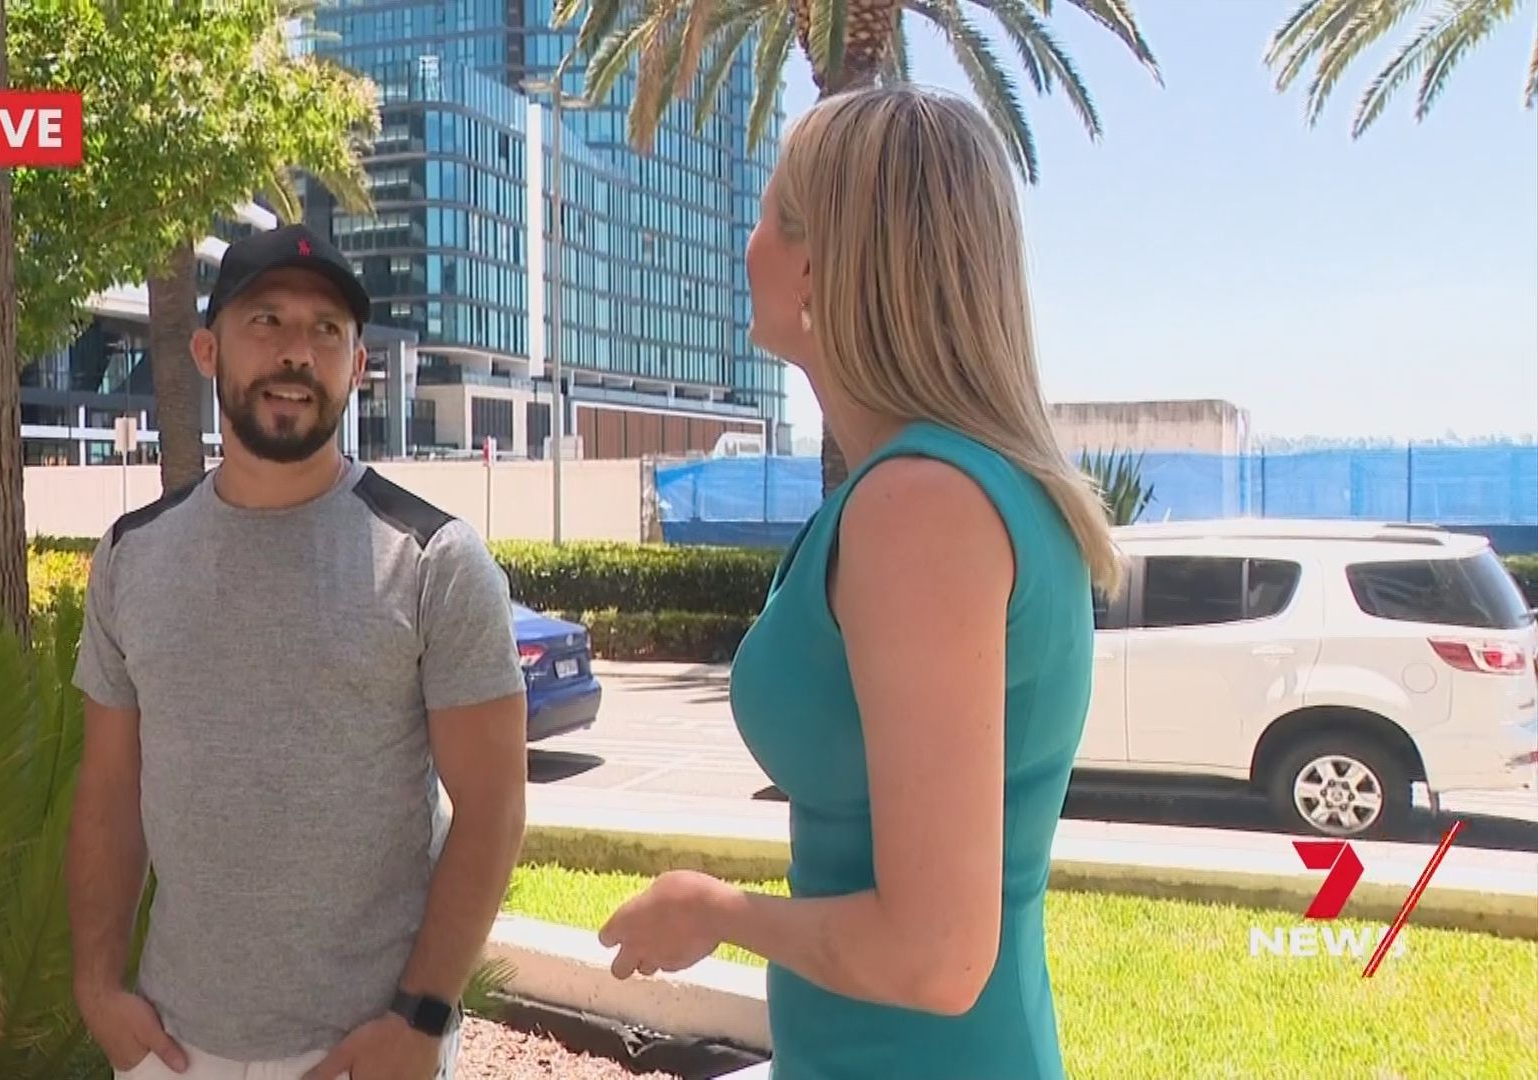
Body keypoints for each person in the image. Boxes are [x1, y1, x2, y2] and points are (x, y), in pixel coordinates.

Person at [595, 85, 1125, 1079]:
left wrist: (715, 911)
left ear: (818, 263)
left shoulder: (921, 506)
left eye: (766, 214)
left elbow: (936, 957)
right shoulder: (952, 487)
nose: (747, 244)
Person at [65, 224, 530, 1080]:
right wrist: (96, 987)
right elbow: (108, 790)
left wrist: (421, 1019)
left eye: (326, 331)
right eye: (267, 320)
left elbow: (494, 805)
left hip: (361, 1051)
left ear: (357, 366)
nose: (296, 352)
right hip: (170, 1048)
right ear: (208, 350)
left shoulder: (434, 560)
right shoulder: (133, 557)